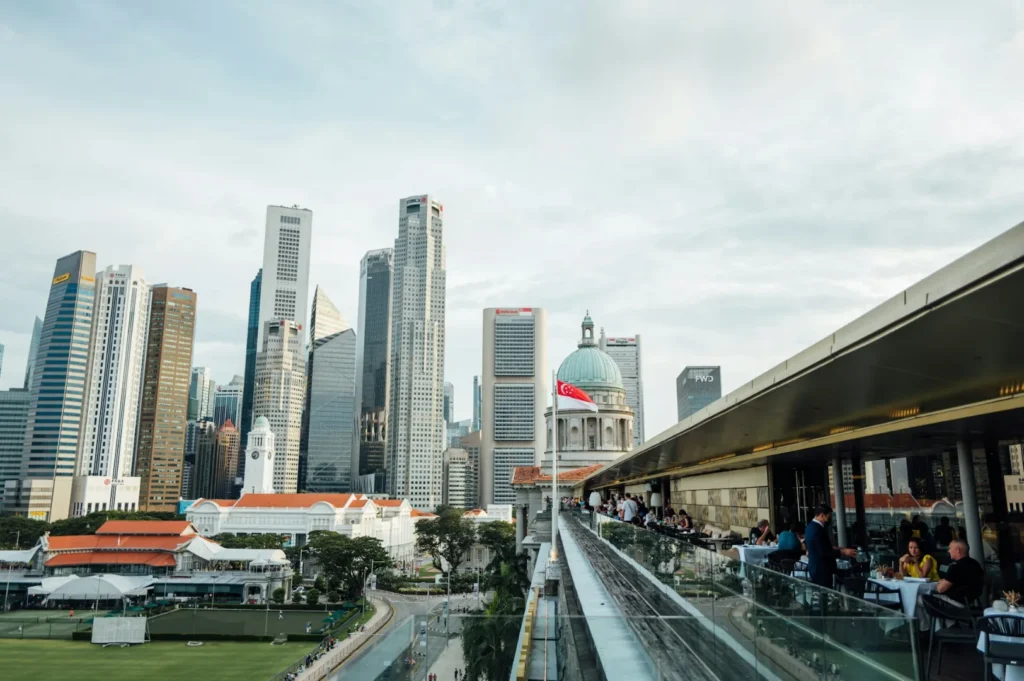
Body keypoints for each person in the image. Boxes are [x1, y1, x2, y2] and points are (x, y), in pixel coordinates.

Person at [803, 504, 858, 588]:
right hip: (822, 569)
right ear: (822, 515)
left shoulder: (809, 527)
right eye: (828, 516)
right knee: (825, 594)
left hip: (814, 567)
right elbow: (824, 551)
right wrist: (843, 552)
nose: (829, 519)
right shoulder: (818, 530)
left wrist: (840, 548)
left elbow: (820, 546)